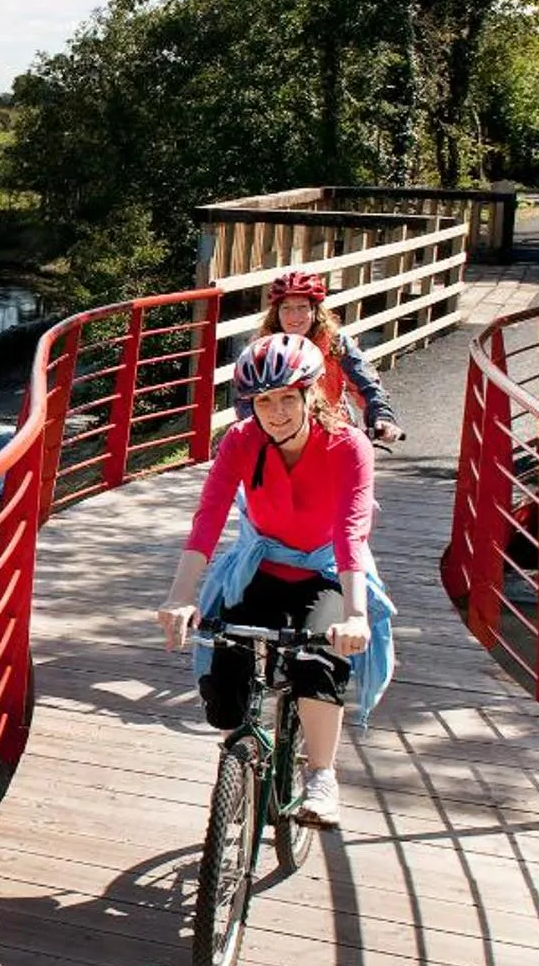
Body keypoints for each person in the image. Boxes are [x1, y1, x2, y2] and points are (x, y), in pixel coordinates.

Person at [158, 333, 396, 827]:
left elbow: (351, 532)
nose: (276, 412)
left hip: (325, 569)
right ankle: (237, 763)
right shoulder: (241, 440)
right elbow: (209, 516)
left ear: (311, 393)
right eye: (264, 401)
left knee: (318, 660)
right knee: (223, 658)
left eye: (288, 397)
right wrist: (181, 596)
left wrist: (355, 615)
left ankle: (322, 775)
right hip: (260, 563)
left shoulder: (348, 445)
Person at [234, 271, 404, 443]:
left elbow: (366, 383)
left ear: (315, 311)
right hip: (280, 433)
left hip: (333, 430)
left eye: (302, 307)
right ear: (276, 313)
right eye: (286, 308)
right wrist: (261, 433)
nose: (294, 316)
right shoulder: (262, 350)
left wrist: (382, 416)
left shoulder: (335, 343)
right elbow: (246, 400)